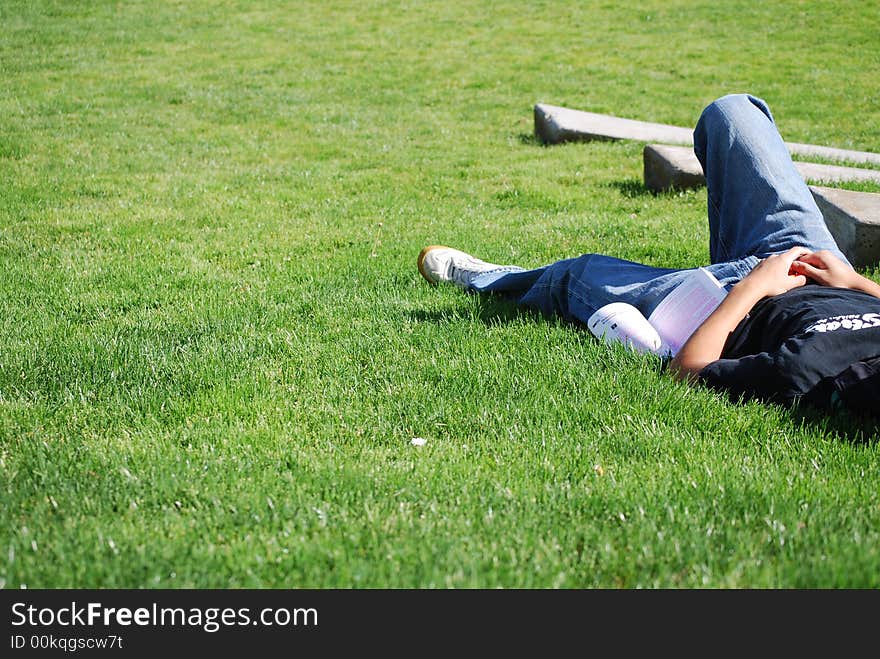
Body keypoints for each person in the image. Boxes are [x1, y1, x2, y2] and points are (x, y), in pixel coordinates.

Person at [417, 94, 880, 418]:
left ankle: (490, 280)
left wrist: (752, 287)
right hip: (814, 262)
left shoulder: (808, 375)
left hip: (731, 299)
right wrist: (856, 283)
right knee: (733, 113)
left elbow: (690, 374)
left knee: (577, 277)